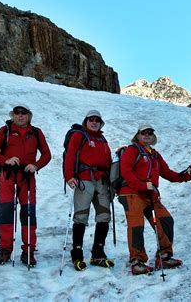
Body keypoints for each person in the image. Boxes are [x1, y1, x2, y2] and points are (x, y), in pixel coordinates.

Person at [118, 124, 191, 275]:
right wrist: (142, 185)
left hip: (150, 195)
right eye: (144, 133)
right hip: (131, 193)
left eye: (150, 133)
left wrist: (186, 175)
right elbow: (126, 172)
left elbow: (167, 173)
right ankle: (137, 261)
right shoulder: (131, 151)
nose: (147, 135)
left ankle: (164, 256)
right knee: (136, 226)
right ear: (138, 135)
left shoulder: (155, 155)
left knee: (166, 220)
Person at [0, 104, 51, 266]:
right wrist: (5, 160)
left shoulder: (36, 133)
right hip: (7, 175)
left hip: (27, 176)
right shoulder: (5, 131)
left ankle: (28, 250)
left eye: (23, 113)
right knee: (6, 212)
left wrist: (36, 165)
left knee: (28, 213)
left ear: (29, 116)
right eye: (17, 113)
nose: (20, 116)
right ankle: (5, 249)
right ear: (13, 115)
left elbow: (46, 154)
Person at [64, 110, 113, 271]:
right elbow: (70, 155)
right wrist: (69, 176)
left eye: (97, 120)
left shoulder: (102, 138)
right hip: (84, 179)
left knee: (104, 216)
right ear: (86, 121)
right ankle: (77, 254)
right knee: (81, 217)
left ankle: (98, 253)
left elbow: (108, 160)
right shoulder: (79, 135)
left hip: (101, 181)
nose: (94, 122)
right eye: (91, 120)